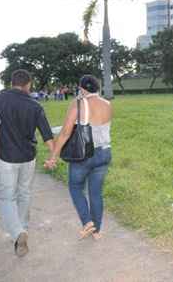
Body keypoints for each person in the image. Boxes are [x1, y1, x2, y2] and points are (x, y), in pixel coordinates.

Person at [0, 69, 54, 257]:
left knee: (6, 197)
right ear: (28, 84)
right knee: (24, 194)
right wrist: (53, 155)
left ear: (11, 82)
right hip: (28, 157)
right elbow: (47, 134)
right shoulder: (35, 104)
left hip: (7, 157)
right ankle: (22, 231)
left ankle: (18, 233)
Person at [45, 75, 112, 241]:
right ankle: (97, 231)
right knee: (96, 193)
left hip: (85, 155)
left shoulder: (78, 103)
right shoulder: (108, 104)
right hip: (104, 153)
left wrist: (54, 155)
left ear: (82, 88)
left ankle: (87, 222)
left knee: (75, 187)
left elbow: (66, 132)